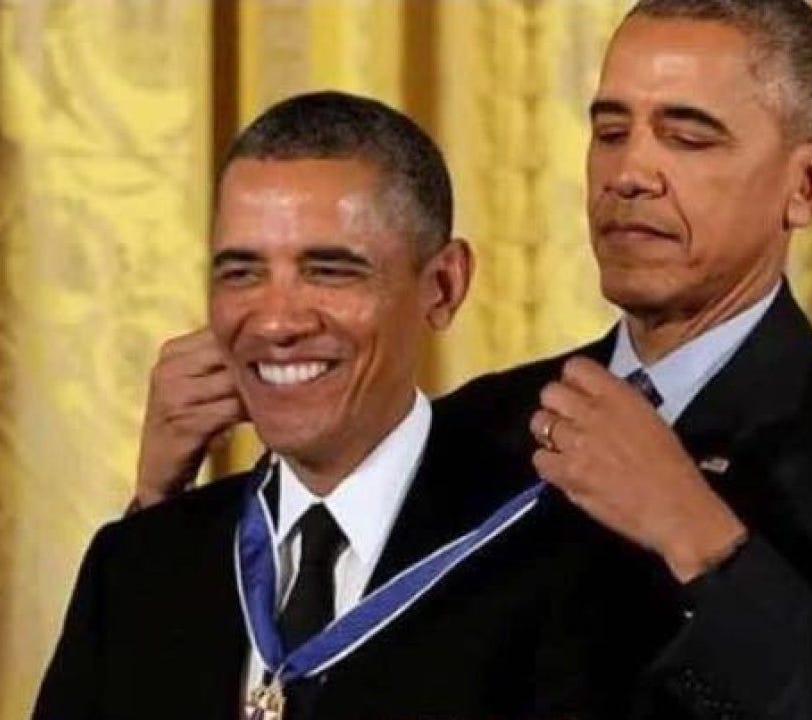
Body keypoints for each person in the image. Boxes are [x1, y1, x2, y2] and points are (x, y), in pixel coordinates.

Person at [110, 1, 812, 718]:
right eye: (612, 131)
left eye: (686, 136)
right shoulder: (482, 421)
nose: (630, 174)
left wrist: (701, 538)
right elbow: (312, 670)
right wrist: (160, 513)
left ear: (811, 184)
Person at [35, 91, 666, 720]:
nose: (276, 322)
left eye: (329, 271)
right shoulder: (139, 566)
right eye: (242, 273)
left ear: (442, 287)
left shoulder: (564, 558)